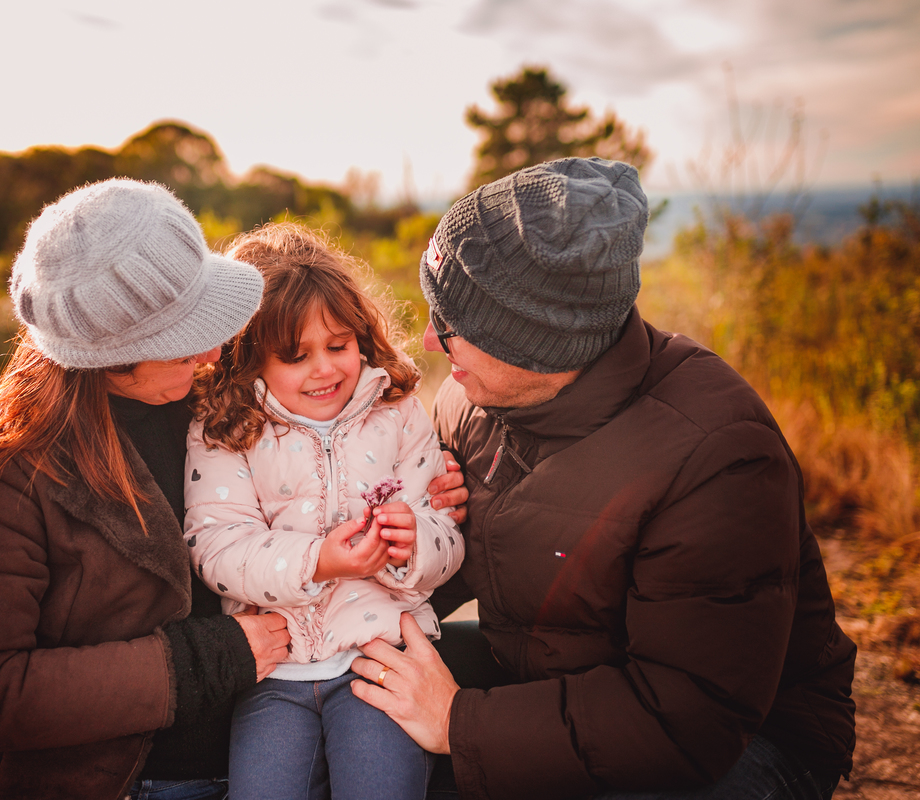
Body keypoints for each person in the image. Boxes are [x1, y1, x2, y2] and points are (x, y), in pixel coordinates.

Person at [0, 180, 469, 800]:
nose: (212, 349)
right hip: (136, 779)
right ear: (112, 356)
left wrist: (427, 507)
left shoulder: (226, 395)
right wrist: (203, 661)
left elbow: (345, 494)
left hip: (301, 725)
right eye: (181, 338)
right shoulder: (2, 464)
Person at [349, 158, 857, 800]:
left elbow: (689, 717)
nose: (427, 341)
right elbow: (457, 570)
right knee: (357, 685)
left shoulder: (719, 457)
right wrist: (402, 545)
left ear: (539, 346)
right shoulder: (467, 398)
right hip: (549, 672)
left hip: (738, 744)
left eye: (451, 328)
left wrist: (459, 723)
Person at [184, 223, 465, 800]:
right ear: (250, 357)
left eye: (339, 346)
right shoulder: (225, 431)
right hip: (274, 670)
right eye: (295, 356)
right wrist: (319, 562)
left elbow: (446, 532)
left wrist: (415, 542)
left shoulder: (398, 412)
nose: (325, 370)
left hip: (382, 659)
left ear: (361, 336)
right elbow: (217, 548)